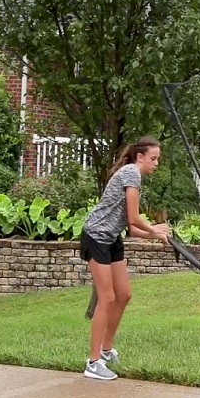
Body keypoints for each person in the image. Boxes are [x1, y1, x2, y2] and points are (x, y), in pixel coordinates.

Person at [80, 136, 171, 381]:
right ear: (139, 157)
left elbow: (132, 230)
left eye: (158, 159)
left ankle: (106, 349)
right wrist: (156, 229)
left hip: (112, 238)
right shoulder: (131, 173)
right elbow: (134, 218)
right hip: (96, 237)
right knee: (107, 298)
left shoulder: (133, 175)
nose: (156, 163)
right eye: (153, 158)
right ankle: (93, 361)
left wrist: (156, 235)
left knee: (124, 294)